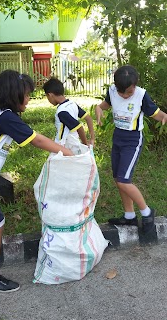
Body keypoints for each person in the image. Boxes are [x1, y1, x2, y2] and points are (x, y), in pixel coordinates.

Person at [0, 70, 73, 292]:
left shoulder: (2, 114)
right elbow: (36, 140)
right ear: (14, 94)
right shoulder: (6, 117)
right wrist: (66, 151)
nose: (29, 99)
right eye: (26, 94)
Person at [95, 65, 167, 233]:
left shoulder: (141, 95)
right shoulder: (113, 91)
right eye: (122, 92)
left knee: (123, 180)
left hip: (133, 140)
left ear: (135, 85)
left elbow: (156, 113)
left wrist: (163, 117)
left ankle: (147, 212)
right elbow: (104, 105)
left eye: (129, 92)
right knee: (118, 179)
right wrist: (99, 109)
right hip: (118, 138)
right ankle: (129, 216)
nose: (125, 95)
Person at [43, 77, 95, 146]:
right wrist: (92, 138)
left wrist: (85, 144)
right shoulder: (72, 104)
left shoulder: (61, 112)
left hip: (64, 146)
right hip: (74, 142)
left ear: (50, 95)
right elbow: (88, 118)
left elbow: (79, 127)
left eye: (47, 97)